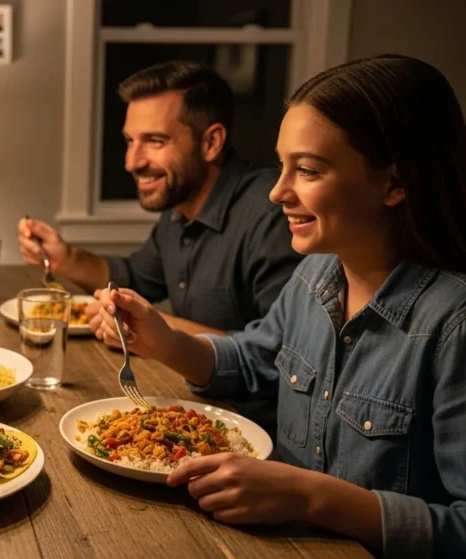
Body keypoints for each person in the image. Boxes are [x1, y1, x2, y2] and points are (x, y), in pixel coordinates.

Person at [95, 54, 466, 556]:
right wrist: (165, 341)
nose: (276, 192)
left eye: (308, 170)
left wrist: (313, 497)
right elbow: (254, 360)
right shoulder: (316, 274)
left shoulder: (452, 325)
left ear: (395, 184)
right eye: (282, 165)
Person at [19, 61, 303, 339]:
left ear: (211, 143)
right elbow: (136, 278)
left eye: (155, 141)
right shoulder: (182, 202)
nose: (132, 163)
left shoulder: (273, 214)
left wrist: (159, 331)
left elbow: (282, 352)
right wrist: (66, 258)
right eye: (130, 141)